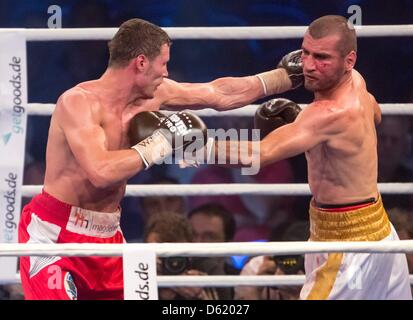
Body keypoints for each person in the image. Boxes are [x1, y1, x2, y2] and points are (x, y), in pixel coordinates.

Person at [18, 18, 300, 300]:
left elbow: (218, 93)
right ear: (141, 62)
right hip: (55, 233)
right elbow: (101, 171)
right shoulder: (78, 103)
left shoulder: (155, 94)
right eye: (162, 64)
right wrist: (161, 143)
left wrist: (284, 78)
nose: (166, 72)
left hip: (108, 234)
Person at [217, 15, 412, 299]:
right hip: (380, 232)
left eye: (321, 57)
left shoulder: (327, 113)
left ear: (349, 60)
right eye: (305, 52)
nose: (308, 65)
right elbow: (376, 114)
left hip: (345, 246)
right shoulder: (357, 82)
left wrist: (183, 144)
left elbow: (259, 154)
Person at [144, 211, 231, 300]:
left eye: (172, 255)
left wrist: (200, 296)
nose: (163, 261)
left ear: (189, 253)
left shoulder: (207, 271)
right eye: (156, 251)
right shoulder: (138, 272)